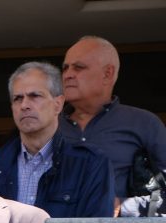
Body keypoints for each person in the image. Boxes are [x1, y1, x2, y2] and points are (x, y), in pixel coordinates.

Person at [0, 61, 114, 218]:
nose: (24, 105)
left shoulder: (90, 163)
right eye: (17, 98)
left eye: (35, 96)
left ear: (58, 104)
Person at [59, 36, 166, 201]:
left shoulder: (143, 123)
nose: (68, 75)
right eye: (65, 68)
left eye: (78, 67)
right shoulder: (49, 125)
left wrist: (123, 207)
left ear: (107, 74)